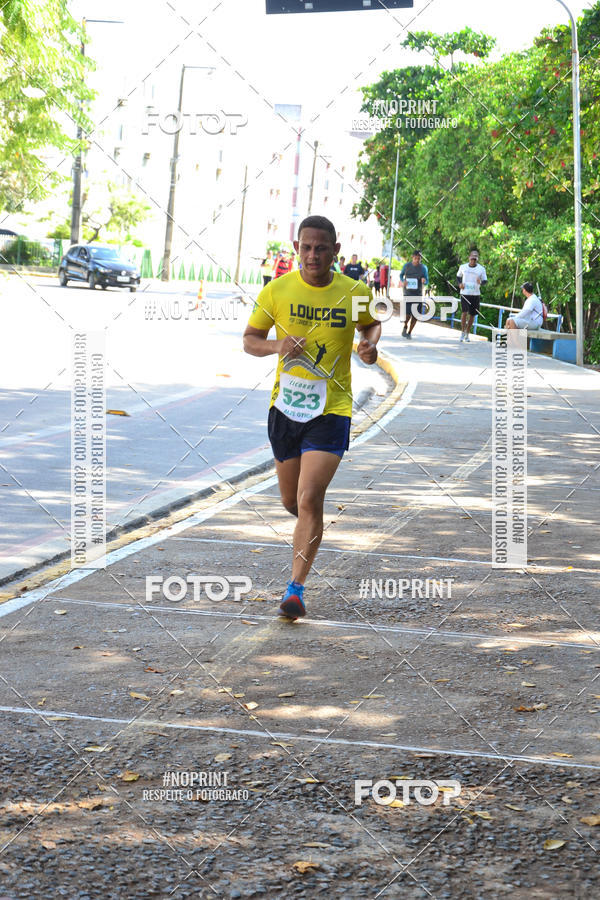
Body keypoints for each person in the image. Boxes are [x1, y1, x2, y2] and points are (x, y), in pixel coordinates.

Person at [243, 215, 381, 620]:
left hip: (331, 410)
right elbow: (250, 340)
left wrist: (368, 346)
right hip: (285, 410)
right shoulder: (277, 290)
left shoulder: (354, 291)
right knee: (292, 501)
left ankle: (295, 590)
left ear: (335, 251)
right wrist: (277, 346)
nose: (312, 255)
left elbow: (371, 325)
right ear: (296, 248)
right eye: (306, 247)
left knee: (308, 498)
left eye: (321, 248)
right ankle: (311, 526)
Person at [457, 249, 487, 342]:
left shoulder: (481, 269)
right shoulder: (463, 267)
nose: (473, 259)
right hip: (465, 293)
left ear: (477, 259)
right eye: (472, 257)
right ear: (469, 257)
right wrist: (459, 284)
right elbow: (458, 276)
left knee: (472, 315)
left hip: (475, 294)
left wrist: (480, 282)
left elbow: (485, 281)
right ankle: (462, 332)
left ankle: (467, 333)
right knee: (464, 312)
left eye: (475, 258)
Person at [399, 250, 429, 339]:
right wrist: (403, 281)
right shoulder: (407, 266)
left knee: (416, 315)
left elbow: (427, 280)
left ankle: (409, 333)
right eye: (415, 258)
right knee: (407, 315)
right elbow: (401, 275)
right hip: (407, 293)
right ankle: (405, 326)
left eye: (419, 259)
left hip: (418, 294)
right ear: (412, 257)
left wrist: (424, 281)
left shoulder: (423, 268)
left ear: (421, 259)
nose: (417, 260)